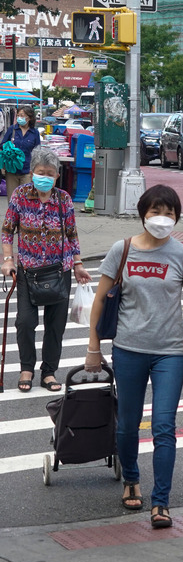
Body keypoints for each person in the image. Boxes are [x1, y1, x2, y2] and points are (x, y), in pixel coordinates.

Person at [85, 185, 183, 529]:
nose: (162, 219)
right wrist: (93, 346)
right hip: (129, 348)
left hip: (171, 352)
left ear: (176, 217)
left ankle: (161, 501)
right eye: (155, 212)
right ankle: (131, 478)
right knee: (129, 423)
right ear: (143, 214)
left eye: (169, 213)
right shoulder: (123, 250)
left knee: (164, 426)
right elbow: (100, 299)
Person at [1, 146, 91, 392]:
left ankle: (49, 372)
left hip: (58, 271)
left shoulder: (64, 200)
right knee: (25, 322)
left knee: (55, 325)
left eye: (50, 173)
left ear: (57, 176)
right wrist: (7, 259)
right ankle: (26, 368)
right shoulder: (20, 195)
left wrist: (78, 265)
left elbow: (72, 236)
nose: (45, 177)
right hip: (28, 272)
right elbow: (7, 230)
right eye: (41, 172)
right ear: (32, 172)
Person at [1, 105, 41, 195]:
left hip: (27, 170)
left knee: (25, 198)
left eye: (22, 116)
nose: (19, 118)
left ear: (29, 118)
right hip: (11, 170)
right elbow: (2, 144)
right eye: (18, 115)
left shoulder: (34, 133)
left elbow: (38, 152)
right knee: (12, 198)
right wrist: (9, 148)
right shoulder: (12, 129)